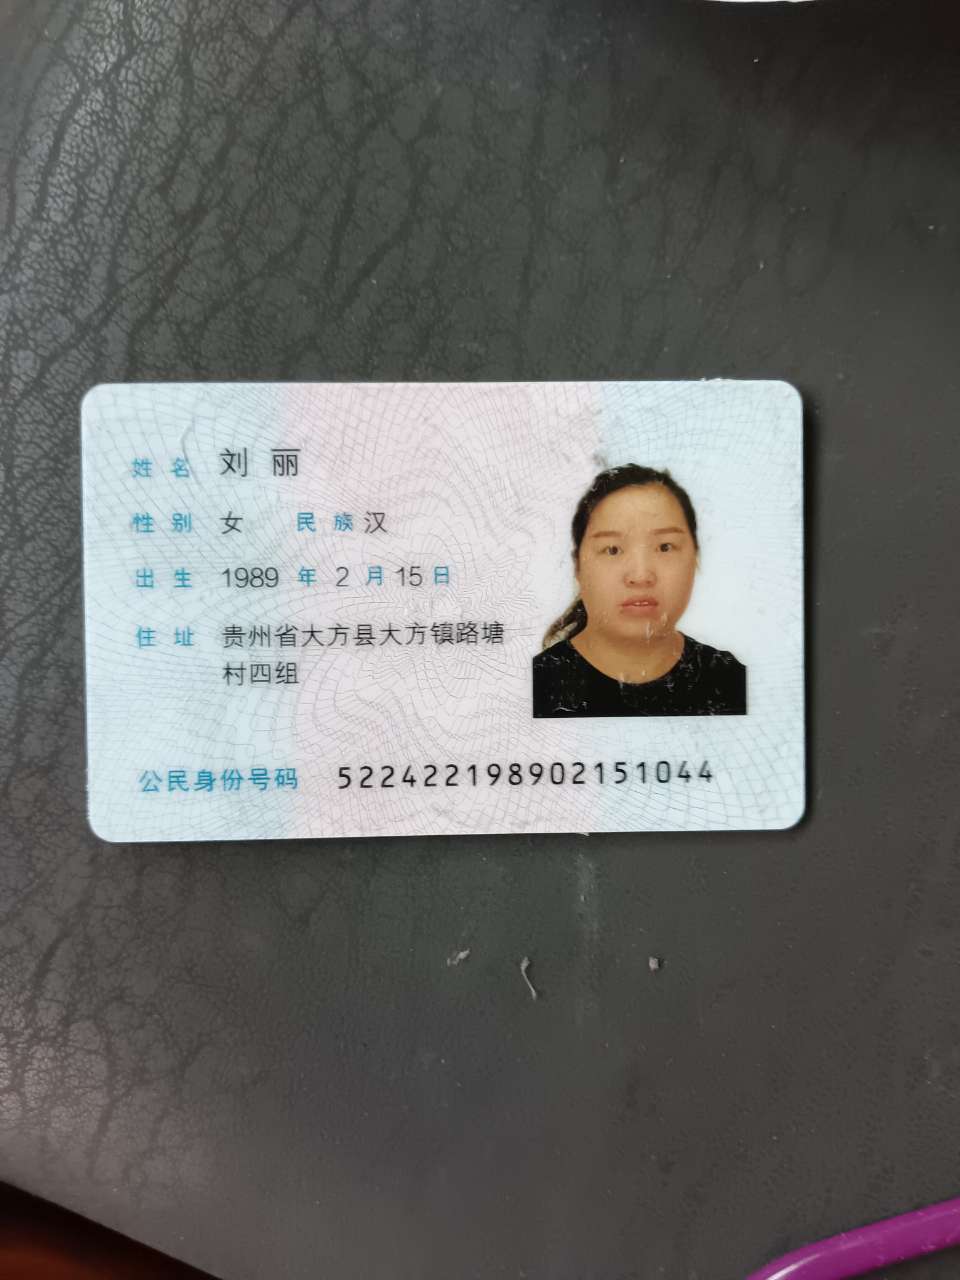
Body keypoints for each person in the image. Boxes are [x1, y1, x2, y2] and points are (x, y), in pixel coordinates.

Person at [533, 465, 746, 717]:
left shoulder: (730, 680)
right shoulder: (534, 686)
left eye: (665, 547)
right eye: (612, 549)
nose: (641, 576)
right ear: (577, 566)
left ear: (695, 557)